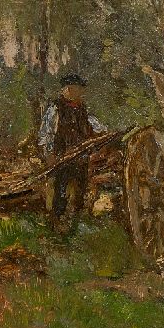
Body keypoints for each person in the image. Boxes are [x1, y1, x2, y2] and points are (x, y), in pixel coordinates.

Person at [37, 74, 107, 224]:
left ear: (80, 91)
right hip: (62, 157)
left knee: (80, 187)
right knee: (61, 189)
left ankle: (77, 219)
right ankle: (58, 219)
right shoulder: (55, 109)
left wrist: (103, 134)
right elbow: (46, 134)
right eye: (68, 88)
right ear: (63, 90)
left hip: (81, 157)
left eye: (75, 89)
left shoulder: (83, 110)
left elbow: (97, 127)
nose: (71, 91)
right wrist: (49, 155)